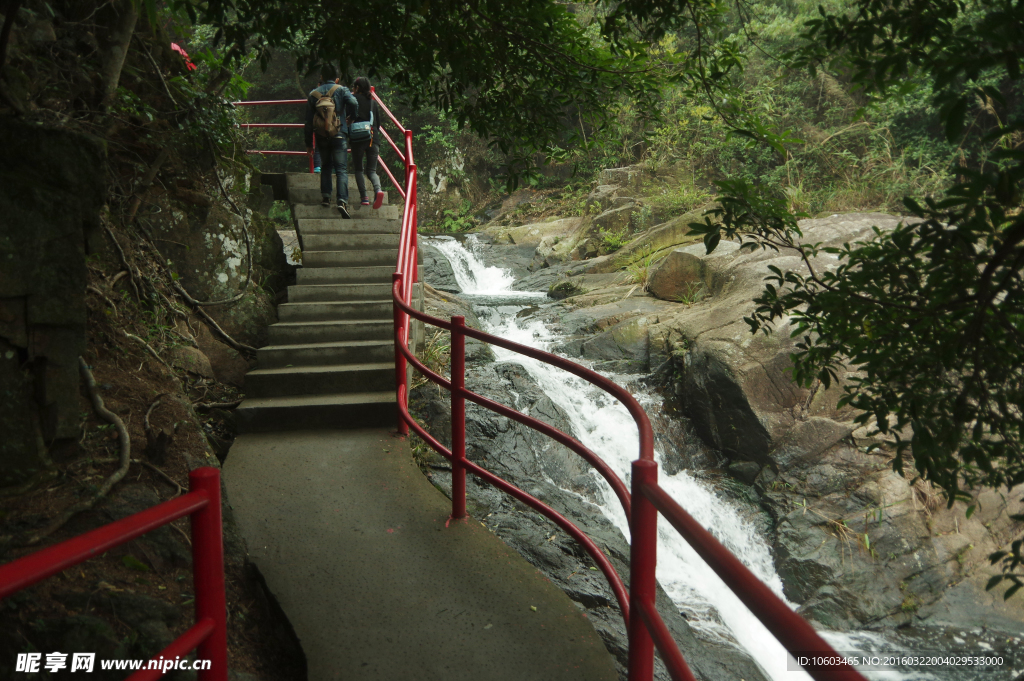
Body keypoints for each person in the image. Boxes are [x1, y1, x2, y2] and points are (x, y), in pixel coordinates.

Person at [304, 66, 357, 217]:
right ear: (337, 79)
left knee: (326, 165)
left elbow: (308, 122)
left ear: (321, 77)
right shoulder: (342, 90)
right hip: (339, 133)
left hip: (321, 136)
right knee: (341, 169)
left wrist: (309, 144)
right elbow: (353, 103)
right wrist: (351, 118)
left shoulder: (313, 94)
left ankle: (326, 197)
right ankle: (342, 201)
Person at [350, 77, 385, 210]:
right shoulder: (373, 103)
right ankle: (378, 190)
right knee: (372, 171)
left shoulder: (352, 101)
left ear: (357, 88)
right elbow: (378, 124)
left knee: (359, 169)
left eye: (353, 87)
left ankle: (364, 198)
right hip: (372, 137)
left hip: (357, 139)